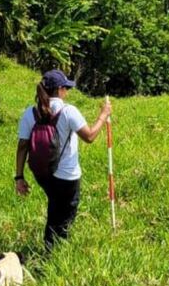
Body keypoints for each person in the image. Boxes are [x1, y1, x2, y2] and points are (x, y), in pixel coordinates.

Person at [14, 70, 111, 249]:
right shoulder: (68, 111)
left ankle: (52, 246)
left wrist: (19, 177)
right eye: (66, 87)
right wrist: (103, 116)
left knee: (55, 206)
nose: (67, 91)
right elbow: (89, 137)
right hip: (67, 176)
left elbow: (22, 146)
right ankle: (54, 251)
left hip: (42, 173)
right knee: (65, 217)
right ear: (59, 89)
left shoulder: (30, 112)